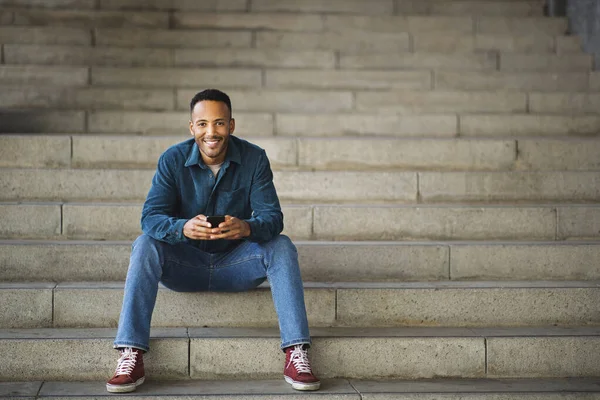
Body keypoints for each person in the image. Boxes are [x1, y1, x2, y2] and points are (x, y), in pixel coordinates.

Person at [106, 89, 320, 393]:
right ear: (192, 127)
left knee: (282, 245)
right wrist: (182, 229)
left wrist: (246, 228)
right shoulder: (172, 159)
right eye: (203, 124)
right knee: (144, 244)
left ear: (231, 126)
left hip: (237, 266)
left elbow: (273, 219)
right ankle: (130, 352)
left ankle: (297, 352)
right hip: (185, 264)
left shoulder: (254, 158)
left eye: (219, 123)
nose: (211, 132)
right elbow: (150, 217)